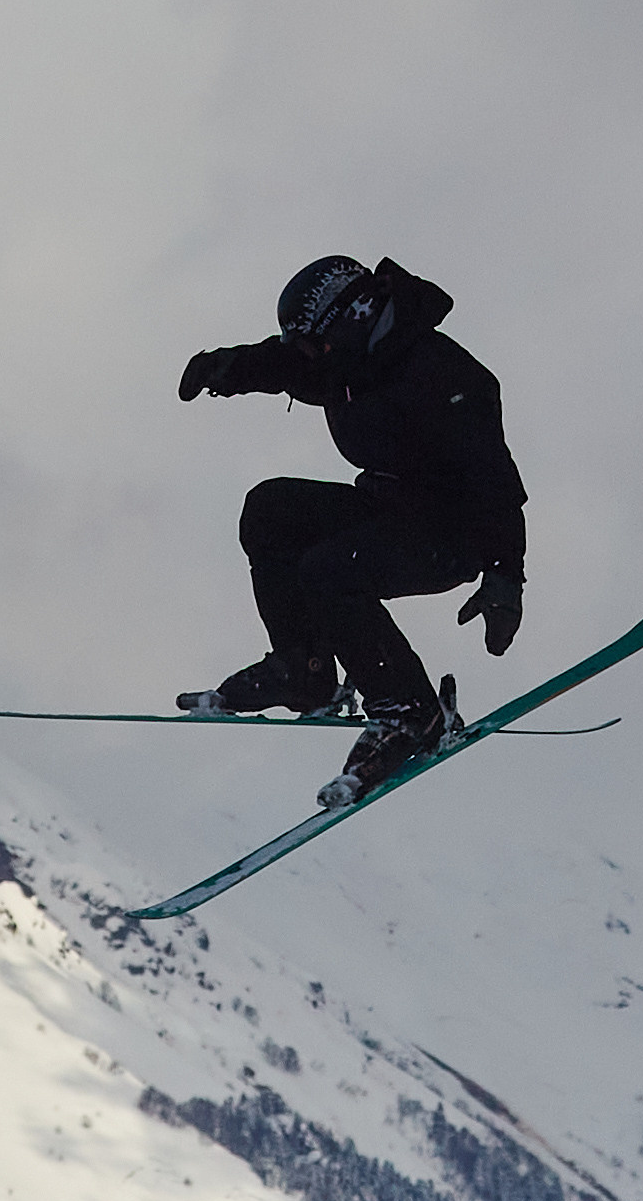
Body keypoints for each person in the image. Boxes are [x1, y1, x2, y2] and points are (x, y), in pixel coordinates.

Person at [177, 255, 527, 804]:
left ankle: (408, 710)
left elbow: (494, 478)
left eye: (313, 344)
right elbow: (285, 364)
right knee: (271, 509)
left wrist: (505, 576)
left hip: (455, 534)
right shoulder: (346, 358)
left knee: (331, 571)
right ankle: (305, 668)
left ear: (354, 317)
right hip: (391, 509)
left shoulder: (442, 373)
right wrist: (227, 368)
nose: (308, 355)